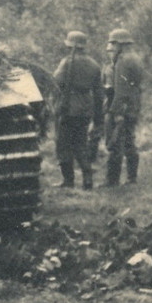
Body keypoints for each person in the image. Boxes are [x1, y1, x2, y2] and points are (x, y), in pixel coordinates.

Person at [51, 31, 103, 190]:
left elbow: (56, 82)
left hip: (67, 109)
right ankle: (88, 180)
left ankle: (69, 181)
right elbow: (98, 94)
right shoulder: (94, 65)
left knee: (63, 145)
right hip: (85, 109)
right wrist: (98, 117)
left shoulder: (66, 63)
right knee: (81, 144)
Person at [102, 27, 143, 186]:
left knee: (115, 143)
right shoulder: (135, 58)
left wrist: (116, 112)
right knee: (129, 141)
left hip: (122, 108)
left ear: (119, 44)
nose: (112, 48)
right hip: (133, 106)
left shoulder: (122, 61)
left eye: (113, 44)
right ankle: (132, 178)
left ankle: (112, 180)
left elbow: (121, 90)